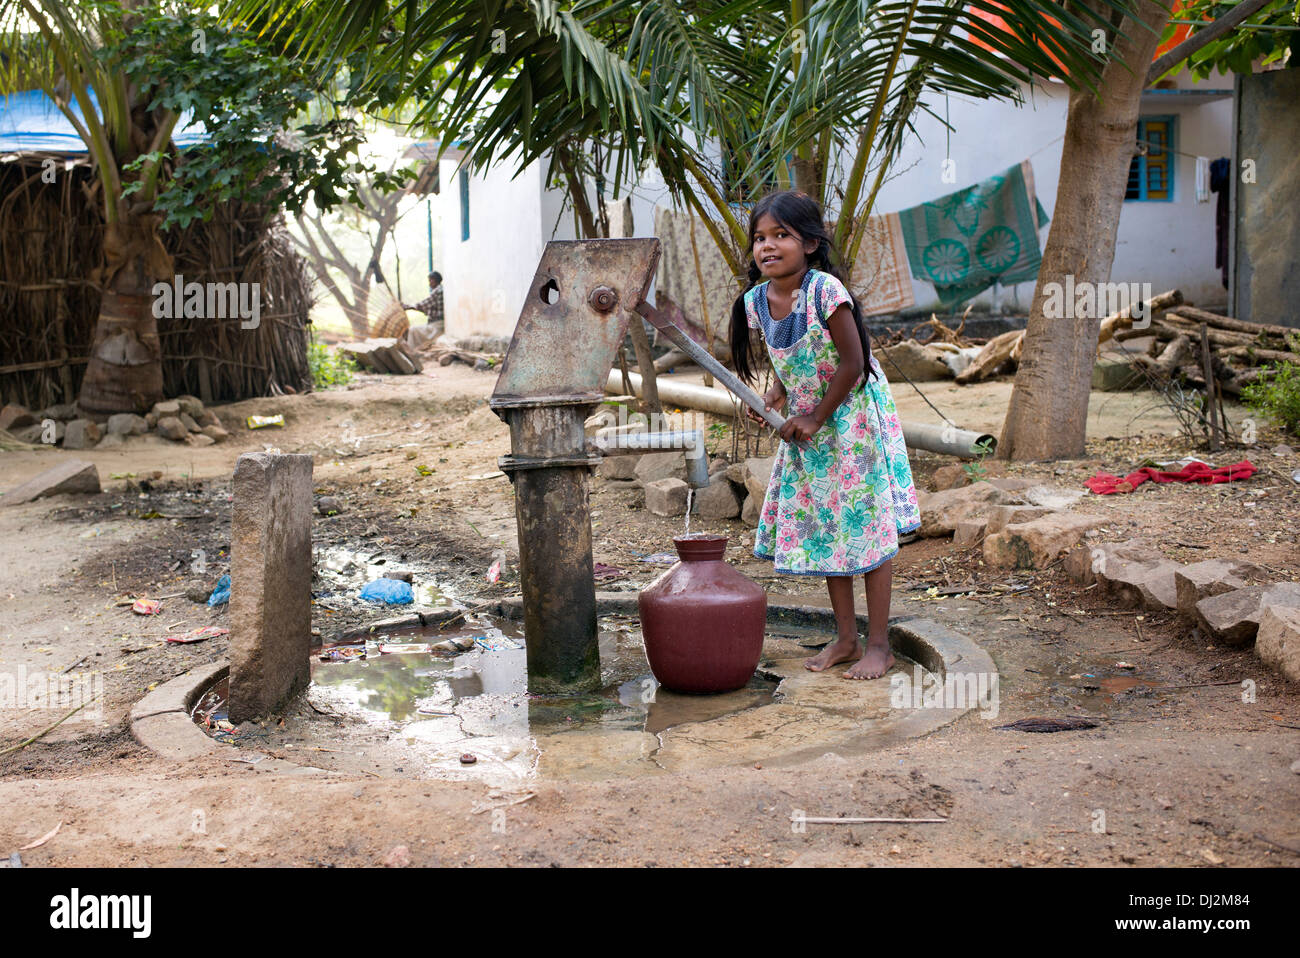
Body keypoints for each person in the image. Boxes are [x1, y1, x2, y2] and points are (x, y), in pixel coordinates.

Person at [730, 190, 921, 680]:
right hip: (811, 428)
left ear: (811, 243)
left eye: (781, 236)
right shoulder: (757, 301)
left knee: (867, 525)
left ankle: (880, 644)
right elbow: (788, 359)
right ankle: (846, 638)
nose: (767, 246)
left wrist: (814, 415)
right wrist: (777, 396)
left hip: (853, 420)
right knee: (827, 524)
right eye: (760, 238)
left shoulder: (825, 292)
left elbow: (853, 364)